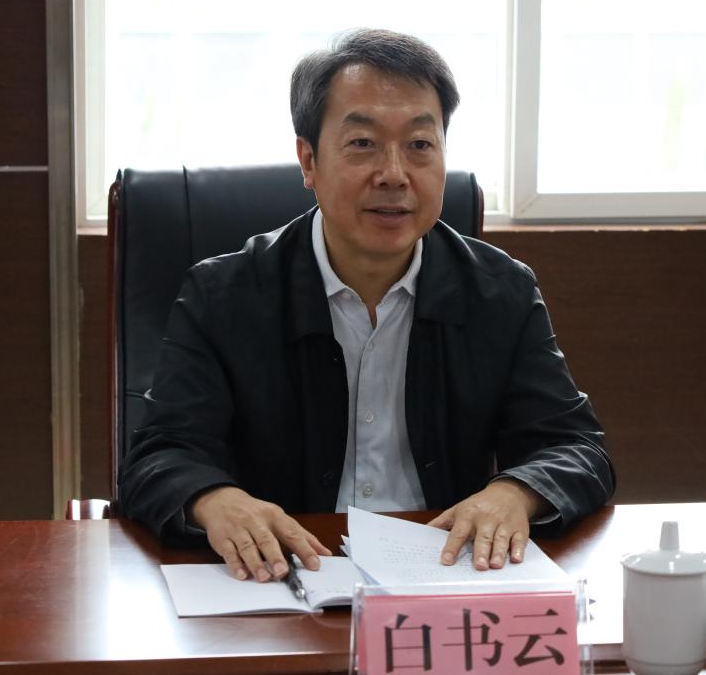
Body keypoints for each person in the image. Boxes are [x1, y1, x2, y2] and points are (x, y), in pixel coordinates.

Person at [119, 29, 614, 585]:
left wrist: (515, 493)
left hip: (442, 580)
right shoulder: (223, 295)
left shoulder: (500, 292)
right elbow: (158, 456)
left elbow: (576, 448)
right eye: (363, 143)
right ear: (309, 160)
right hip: (280, 579)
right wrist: (215, 500)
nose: (394, 174)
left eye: (420, 145)